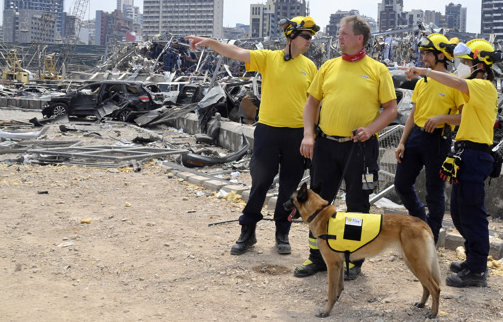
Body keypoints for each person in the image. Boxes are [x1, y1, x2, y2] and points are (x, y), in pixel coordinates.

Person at [185, 16, 320, 256]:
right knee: (260, 183)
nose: (310, 41)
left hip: (297, 135)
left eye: (311, 37)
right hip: (268, 131)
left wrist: (312, 134)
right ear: (291, 36)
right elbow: (236, 52)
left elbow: (315, 103)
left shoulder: (310, 67)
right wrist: (211, 42)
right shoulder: (269, 58)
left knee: (289, 187)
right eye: (306, 36)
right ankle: (247, 232)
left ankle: (282, 233)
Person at [296, 15, 397, 280]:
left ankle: (353, 259)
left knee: (357, 204)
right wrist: (308, 135)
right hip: (326, 146)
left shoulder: (378, 70)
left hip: (360, 149)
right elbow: (311, 104)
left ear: (359, 38)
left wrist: (371, 129)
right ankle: (317, 258)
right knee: (316, 204)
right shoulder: (328, 67)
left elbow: (391, 109)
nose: (338, 37)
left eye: (343, 33)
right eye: (339, 33)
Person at [401, 39, 503, 288]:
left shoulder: (483, 86)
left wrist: (424, 71)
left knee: (472, 214)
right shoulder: (476, 88)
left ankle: (478, 269)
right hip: (466, 153)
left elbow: (456, 83)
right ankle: (472, 260)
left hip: (477, 155)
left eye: (467, 62)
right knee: (459, 212)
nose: (463, 66)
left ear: (481, 65)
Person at [393, 34, 464, 245]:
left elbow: (463, 117)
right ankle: (421, 221)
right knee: (401, 184)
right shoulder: (422, 83)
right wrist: (402, 142)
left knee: (435, 190)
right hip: (415, 136)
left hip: (438, 139)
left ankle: (430, 236)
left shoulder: (455, 84)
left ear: (441, 56)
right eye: (423, 54)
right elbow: (413, 114)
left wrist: (442, 117)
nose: (424, 59)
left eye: (428, 54)